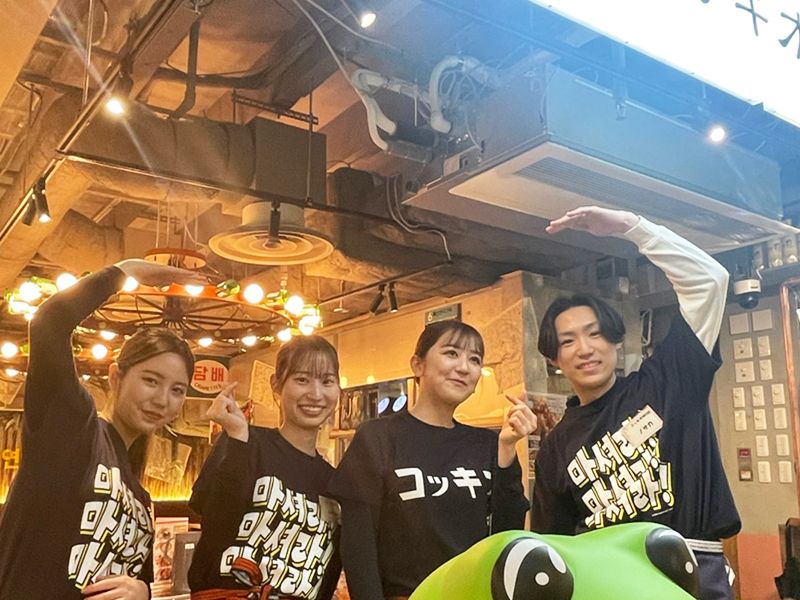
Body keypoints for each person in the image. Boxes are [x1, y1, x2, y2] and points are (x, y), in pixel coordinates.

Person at [531, 206, 740, 600]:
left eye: (595, 334)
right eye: (568, 341)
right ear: (554, 359)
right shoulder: (555, 448)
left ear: (616, 341)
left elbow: (710, 281)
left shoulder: (668, 382)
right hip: (609, 583)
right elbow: (553, 551)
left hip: (692, 573)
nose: (585, 349)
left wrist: (633, 228)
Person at [0, 259, 198, 600]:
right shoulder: (75, 428)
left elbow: (136, 579)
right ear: (116, 376)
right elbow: (49, 323)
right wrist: (125, 271)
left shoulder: (141, 497)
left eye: (177, 390)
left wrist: (143, 590)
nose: (162, 399)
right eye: (151, 380)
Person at [329, 320, 537, 600]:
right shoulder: (377, 437)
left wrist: (508, 447)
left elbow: (505, 535)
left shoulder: (487, 443)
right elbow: (359, 545)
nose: (464, 367)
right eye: (451, 353)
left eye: (474, 359)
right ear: (418, 365)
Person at [188, 335, 342, 600]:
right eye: (302, 379)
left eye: (327, 381)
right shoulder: (246, 441)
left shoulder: (334, 482)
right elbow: (214, 523)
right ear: (276, 385)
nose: (316, 394)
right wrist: (237, 439)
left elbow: (328, 572)